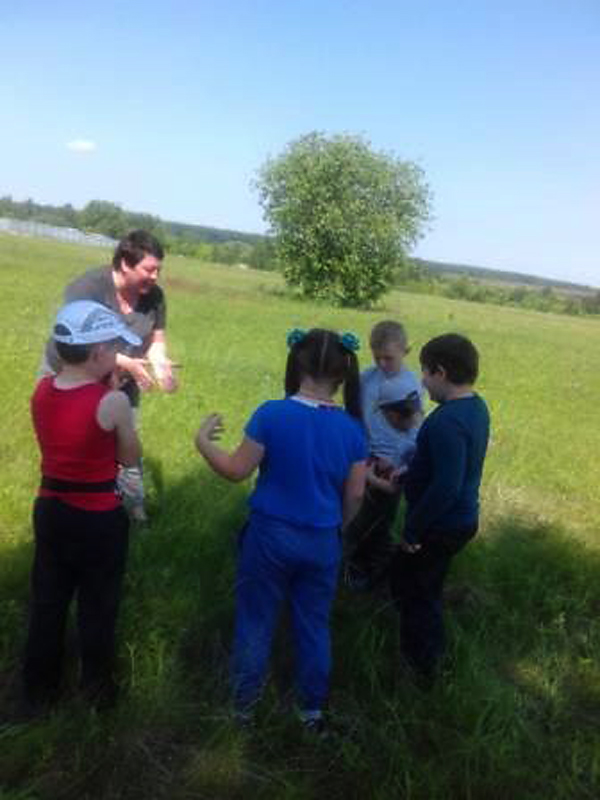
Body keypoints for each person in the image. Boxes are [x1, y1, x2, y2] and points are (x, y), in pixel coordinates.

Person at [195, 328, 367, 731]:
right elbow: (357, 493)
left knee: (256, 621)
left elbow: (236, 470)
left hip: (269, 537)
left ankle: (243, 710)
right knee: (314, 625)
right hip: (322, 540)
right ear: (342, 375)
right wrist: (338, 526)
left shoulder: (271, 414)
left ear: (297, 365)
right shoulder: (352, 429)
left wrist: (203, 442)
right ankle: (311, 713)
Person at [24, 300, 143, 711]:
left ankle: (38, 692)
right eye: (114, 347)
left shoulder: (42, 390)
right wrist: (115, 398)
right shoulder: (112, 402)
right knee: (98, 605)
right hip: (97, 517)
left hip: (51, 508)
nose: (117, 354)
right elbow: (129, 457)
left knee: (48, 601)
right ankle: (97, 692)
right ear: (98, 352)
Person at [43, 229, 177, 523]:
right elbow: (73, 345)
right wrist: (125, 362)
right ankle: (69, 503)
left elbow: (156, 339)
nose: (155, 277)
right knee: (77, 445)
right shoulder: (88, 288)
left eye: (159, 270)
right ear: (125, 264)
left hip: (121, 379)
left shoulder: (154, 296)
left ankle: (135, 510)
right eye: (149, 269)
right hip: (73, 376)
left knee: (127, 441)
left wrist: (160, 364)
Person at [389, 333, 490, 685]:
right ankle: (422, 649)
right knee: (415, 581)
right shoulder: (476, 408)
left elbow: (447, 485)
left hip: (439, 526)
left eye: (425, 372)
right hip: (457, 520)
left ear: (441, 372)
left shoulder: (446, 421)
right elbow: (449, 465)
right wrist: (411, 472)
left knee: (417, 593)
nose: (422, 380)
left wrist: (413, 529)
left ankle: (422, 668)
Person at [344, 320, 423, 590]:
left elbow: (414, 429)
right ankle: (351, 563)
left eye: (388, 357)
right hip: (363, 457)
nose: (382, 363)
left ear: (405, 350)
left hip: (393, 466)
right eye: (377, 357)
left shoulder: (411, 385)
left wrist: (398, 462)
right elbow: (355, 412)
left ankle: (372, 570)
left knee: (380, 520)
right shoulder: (367, 377)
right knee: (355, 514)